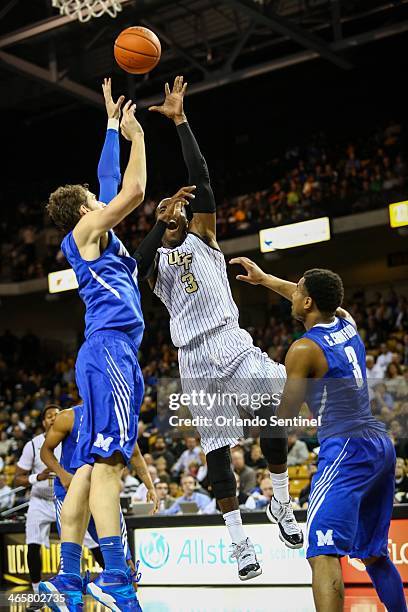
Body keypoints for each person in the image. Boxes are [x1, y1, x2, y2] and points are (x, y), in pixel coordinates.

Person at [39, 80, 189, 612]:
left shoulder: (90, 233)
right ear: (83, 208)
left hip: (101, 352)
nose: (97, 196)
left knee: (86, 467)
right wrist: (140, 138)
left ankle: (69, 577)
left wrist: (109, 127)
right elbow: (130, 193)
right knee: (108, 466)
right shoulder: (87, 230)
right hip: (110, 351)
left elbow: (106, 179)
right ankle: (119, 578)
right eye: (90, 199)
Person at [145, 76, 303, 580]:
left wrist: (181, 121)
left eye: (184, 211)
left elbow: (205, 179)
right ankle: (240, 545)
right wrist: (155, 220)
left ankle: (281, 503)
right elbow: (137, 263)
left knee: (274, 415)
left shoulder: (205, 239)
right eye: (172, 212)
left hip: (230, 342)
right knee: (218, 455)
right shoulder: (154, 263)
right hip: (192, 358)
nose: (181, 214)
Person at [231, 259, 406, 612]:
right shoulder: (346, 322)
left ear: (308, 302)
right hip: (377, 442)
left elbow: (284, 416)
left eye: (298, 292)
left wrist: (250, 409)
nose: (291, 294)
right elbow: (312, 297)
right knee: (373, 554)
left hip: (345, 447)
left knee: (322, 551)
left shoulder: (304, 349)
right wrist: (265, 280)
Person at [40, 404, 158, 578]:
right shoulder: (68, 417)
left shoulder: (120, 421)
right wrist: (62, 474)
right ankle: (68, 598)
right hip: (69, 488)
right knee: (69, 554)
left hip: (102, 489)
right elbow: (45, 451)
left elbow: (135, 456)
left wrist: (150, 486)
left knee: (123, 556)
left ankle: (128, 598)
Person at [14, 405, 60, 600]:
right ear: (43, 422)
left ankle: (112, 585)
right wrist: (37, 477)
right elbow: (18, 478)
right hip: (39, 500)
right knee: (32, 543)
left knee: (86, 540)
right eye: (49, 416)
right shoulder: (33, 445)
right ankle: (36, 589)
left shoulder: (70, 442)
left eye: (57, 415)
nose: (53, 418)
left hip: (63, 498)